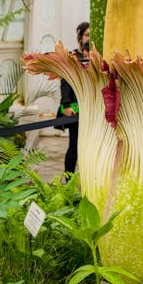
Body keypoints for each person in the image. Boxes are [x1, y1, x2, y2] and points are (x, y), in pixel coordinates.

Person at [60, 21, 89, 176]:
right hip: (75, 107)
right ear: (80, 37)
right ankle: (68, 182)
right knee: (74, 146)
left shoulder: (95, 56)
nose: (88, 38)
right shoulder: (72, 57)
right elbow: (65, 83)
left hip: (90, 109)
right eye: (86, 35)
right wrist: (67, 105)